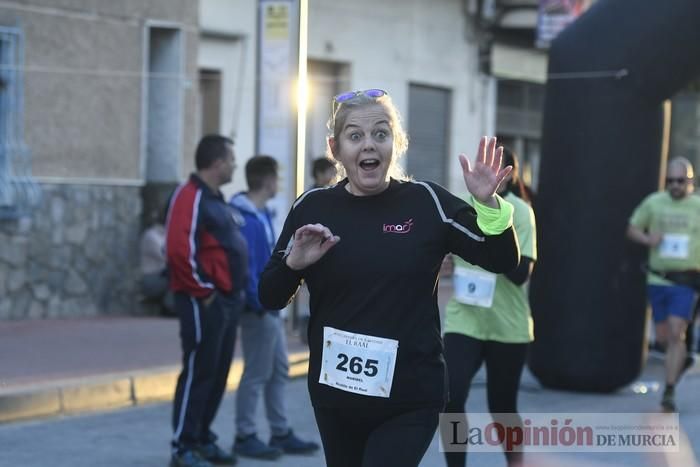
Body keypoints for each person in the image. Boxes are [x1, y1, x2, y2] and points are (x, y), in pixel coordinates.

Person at [258, 88, 520, 467]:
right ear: (336, 148)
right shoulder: (312, 207)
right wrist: (292, 265)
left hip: (411, 396)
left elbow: (501, 259)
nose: (370, 145)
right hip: (337, 395)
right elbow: (269, 296)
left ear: (396, 143)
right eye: (356, 136)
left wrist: (489, 204)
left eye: (381, 134)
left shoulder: (427, 202)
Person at [441, 147, 537, 467]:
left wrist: (494, 233)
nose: (487, 174)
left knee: (502, 407)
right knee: (450, 399)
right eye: (483, 168)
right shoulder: (461, 206)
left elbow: (522, 273)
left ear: (507, 174)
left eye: (496, 170)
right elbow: (443, 254)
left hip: (507, 324)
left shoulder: (520, 212)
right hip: (464, 318)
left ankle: (516, 463)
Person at [229, 155, 319, 459]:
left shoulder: (261, 214)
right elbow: (249, 270)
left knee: (278, 369)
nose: (278, 184)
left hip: (269, 310)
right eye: (276, 179)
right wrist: (261, 303)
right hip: (258, 310)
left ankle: (279, 431)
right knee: (256, 372)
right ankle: (245, 434)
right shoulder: (245, 219)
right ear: (267, 181)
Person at [166, 135, 248, 467]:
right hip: (203, 301)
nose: (234, 165)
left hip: (226, 301)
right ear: (216, 163)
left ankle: (201, 438)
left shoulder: (217, 199)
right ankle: (182, 447)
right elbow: (177, 251)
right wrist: (205, 292)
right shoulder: (190, 195)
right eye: (231, 159)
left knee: (217, 373)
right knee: (199, 371)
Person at [627, 157, 700, 412]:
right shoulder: (654, 202)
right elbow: (632, 227)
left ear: (690, 181)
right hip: (657, 278)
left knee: (677, 330)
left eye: (680, 181)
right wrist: (648, 239)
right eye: (670, 181)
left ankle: (669, 391)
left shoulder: (697, 206)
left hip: (686, 279)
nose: (675, 185)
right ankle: (682, 358)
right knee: (663, 338)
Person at [139, 205, 174, 316]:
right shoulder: (151, 236)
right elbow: (166, 257)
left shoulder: (166, 235)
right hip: (151, 280)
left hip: (161, 276)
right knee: (175, 276)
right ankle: (169, 308)